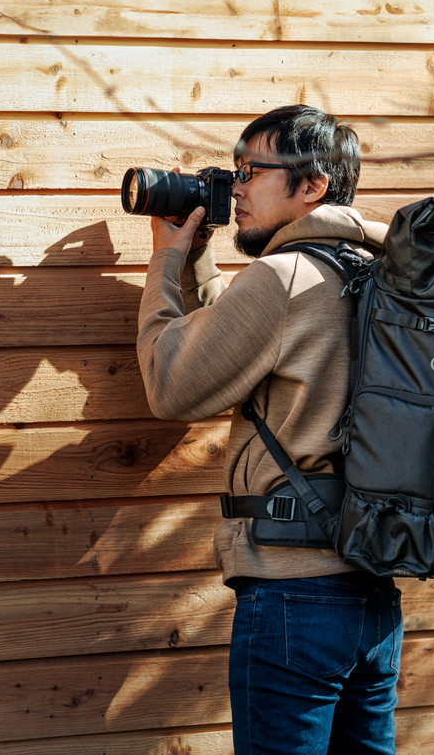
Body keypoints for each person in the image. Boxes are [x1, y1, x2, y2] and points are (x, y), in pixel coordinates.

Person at [136, 105, 403, 754]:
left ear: (312, 185)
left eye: (252, 170)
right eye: (235, 171)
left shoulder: (282, 277)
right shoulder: (376, 272)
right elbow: (243, 341)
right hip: (372, 599)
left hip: (293, 601)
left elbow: (173, 384)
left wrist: (165, 262)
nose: (236, 187)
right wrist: (199, 261)